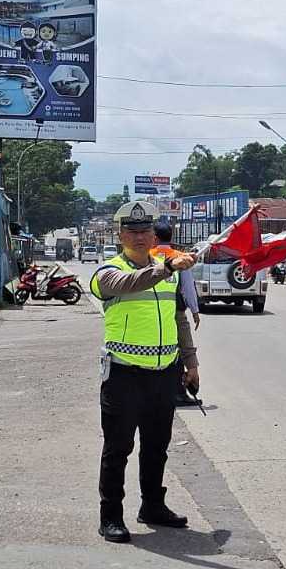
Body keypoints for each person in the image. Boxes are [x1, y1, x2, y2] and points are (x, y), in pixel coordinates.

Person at [90, 201, 198, 544]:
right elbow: (129, 284)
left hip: (163, 373)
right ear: (120, 235)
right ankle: (111, 517)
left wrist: (191, 362)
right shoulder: (108, 272)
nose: (138, 237)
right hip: (123, 375)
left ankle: (153, 506)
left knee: (157, 446)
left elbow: (179, 318)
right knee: (118, 447)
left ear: (153, 235)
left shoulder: (170, 273)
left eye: (144, 231)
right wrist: (167, 267)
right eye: (131, 232)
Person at [151, 218, 202, 407]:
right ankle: (180, 391)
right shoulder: (180, 256)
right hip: (176, 312)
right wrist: (195, 311)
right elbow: (188, 288)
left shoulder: (147, 255)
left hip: (152, 312)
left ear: (154, 238)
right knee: (183, 348)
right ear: (171, 237)